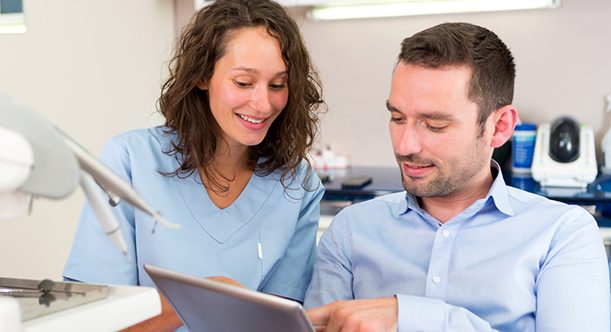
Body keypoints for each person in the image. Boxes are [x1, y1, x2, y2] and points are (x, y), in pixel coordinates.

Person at [304, 22, 610, 332]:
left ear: (500, 126)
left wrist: (411, 317)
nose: (404, 146)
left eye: (435, 125)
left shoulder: (562, 235)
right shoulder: (350, 232)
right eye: (397, 118)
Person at [62, 0, 326, 331]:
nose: (263, 104)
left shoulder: (297, 184)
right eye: (243, 83)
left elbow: (282, 321)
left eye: (277, 85)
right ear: (202, 75)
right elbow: (93, 322)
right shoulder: (129, 161)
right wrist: (202, 297)